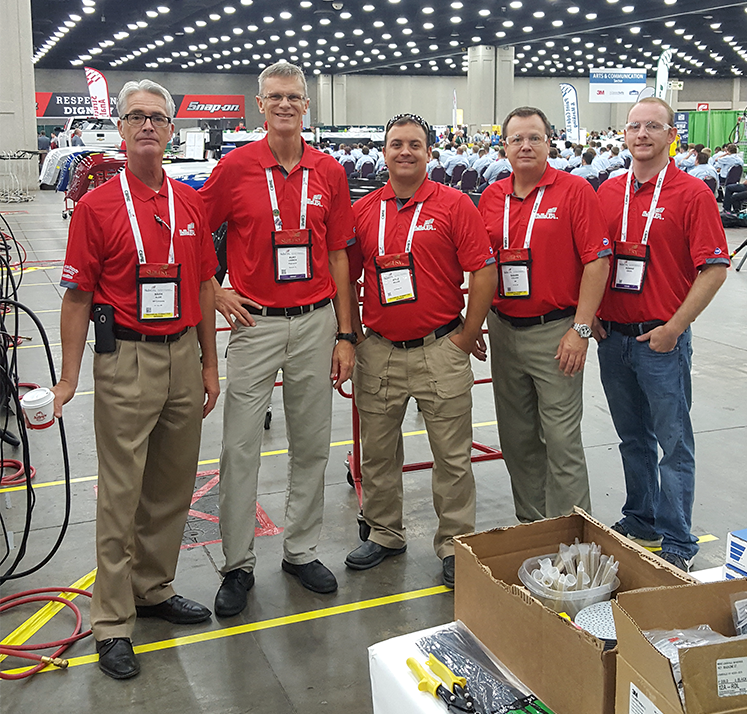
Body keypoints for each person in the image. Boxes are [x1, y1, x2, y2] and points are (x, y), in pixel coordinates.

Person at [52, 79, 219, 680]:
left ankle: (152, 588)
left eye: (158, 118)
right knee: (121, 495)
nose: (147, 126)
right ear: (120, 130)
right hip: (125, 358)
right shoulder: (97, 207)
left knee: (172, 487)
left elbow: (202, 287)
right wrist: (70, 378)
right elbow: (77, 298)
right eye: (136, 118)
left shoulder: (191, 203)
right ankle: (113, 621)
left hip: (181, 356)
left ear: (172, 131)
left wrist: (208, 364)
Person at [198, 61, 355, 616]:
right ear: (259, 105)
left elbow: (339, 255)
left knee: (312, 443)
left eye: (294, 97)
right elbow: (194, 232)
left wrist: (346, 332)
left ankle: (301, 549)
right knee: (239, 448)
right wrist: (215, 290)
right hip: (255, 323)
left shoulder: (329, 172)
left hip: (315, 322)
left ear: (305, 105)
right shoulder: (235, 168)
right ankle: (237, 564)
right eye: (275, 97)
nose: (285, 105)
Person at [344, 113, 497, 588]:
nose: (405, 151)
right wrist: (353, 336)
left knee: (452, 457)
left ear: (430, 152)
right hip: (381, 350)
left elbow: (483, 271)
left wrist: (467, 335)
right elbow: (344, 277)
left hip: (440, 348)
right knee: (378, 453)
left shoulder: (454, 206)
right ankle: (385, 531)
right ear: (383, 152)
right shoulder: (365, 210)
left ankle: (454, 542)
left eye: (414, 144)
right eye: (396, 144)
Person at [594, 97, 729, 572]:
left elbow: (713, 269)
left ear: (672, 135)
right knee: (632, 437)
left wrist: (675, 327)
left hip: (661, 341)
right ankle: (641, 516)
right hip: (613, 339)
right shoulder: (607, 192)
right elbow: (592, 260)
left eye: (654, 126)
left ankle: (676, 536)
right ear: (624, 135)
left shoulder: (692, 195)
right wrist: (589, 315)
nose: (642, 134)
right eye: (634, 127)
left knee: (674, 443)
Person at [478, 106, 610, 523]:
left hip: (556, 332)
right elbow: (482, 265)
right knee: (516, 437)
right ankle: (534, 527)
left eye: (534, 137)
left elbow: (598, 261)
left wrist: (581, 329)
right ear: (504, 147)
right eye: (516, 139)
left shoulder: (574, 191)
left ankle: (573, 537)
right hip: (503, 328)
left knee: (561, 439)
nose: (526, 145)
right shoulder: (491, 196)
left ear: (549, 142)